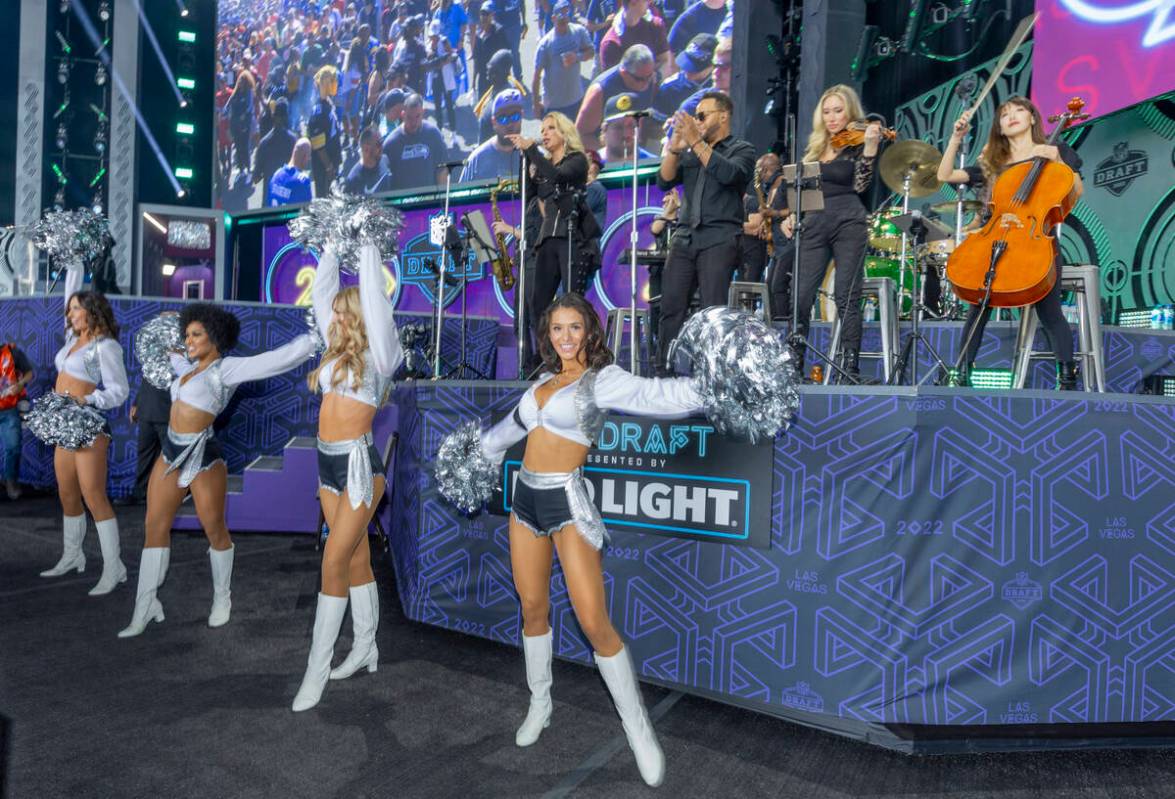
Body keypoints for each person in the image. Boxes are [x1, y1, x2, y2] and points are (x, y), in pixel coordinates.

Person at [459, 292, 710, 787]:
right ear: (546, 335)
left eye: (575, 328)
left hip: (567, 504)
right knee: (532, 608)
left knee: (594, 620)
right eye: (557, 329)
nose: (566, 338)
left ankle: (638, 728)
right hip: (524, 502)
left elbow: (658, 396)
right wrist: (474, 455)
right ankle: (540, 703)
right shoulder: (541, 384)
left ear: (589, 332)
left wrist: (713, 389)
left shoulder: (604, 380)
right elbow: (510, 430)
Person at [118, 304, 318, 638]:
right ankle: (146, 605)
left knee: (214, 529)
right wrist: (167, 324)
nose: (189, 340)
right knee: (154, 524)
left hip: (203, 456)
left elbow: (273, 360)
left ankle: (222, 598)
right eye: (187, 334)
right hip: (170, 452)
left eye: (196, 334)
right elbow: (165, 347)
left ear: (216, 337)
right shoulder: (185, 368)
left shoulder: (226, 369)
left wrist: (313, 341)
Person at [292, 242, 404, 712]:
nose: (334, 317)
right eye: (333, 313)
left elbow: (376, 307)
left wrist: (365, 246)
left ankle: (315, 674)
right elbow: (320, 292)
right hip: (326, 466)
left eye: (343, 312)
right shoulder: (335, 353)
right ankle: (365, 647)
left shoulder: (380, 356)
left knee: (333, 564)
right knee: (356, 562)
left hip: (360, 469)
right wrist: (332, 245)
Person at [937, 97, 1085, 389]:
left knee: (1049, 310)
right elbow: (944, 175)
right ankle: (962, 372)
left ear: (1032, 118)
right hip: (997, 240)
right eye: (1004, 114)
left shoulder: (1056, 150)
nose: (1011, 116)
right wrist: (955, 138)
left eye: (1019, 110)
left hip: (1034, 241)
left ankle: (1067, 377)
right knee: (979, 303)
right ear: (1000, 128)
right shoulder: (993, 162)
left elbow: (1077, 191)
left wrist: (1056, 159)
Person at [39, 261, 130, 595]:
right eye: (71, 308)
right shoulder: (71, 341)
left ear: (92, 313)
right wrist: (73, 260)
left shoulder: (103, 347)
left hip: (87, 425)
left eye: (77, 309)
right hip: (62, 424)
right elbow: (71, 287)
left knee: (94, 495)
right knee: (66, 493)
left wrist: (88, 401)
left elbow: (119, 391)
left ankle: (114, 567)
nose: (71, 313)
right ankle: (73, 555)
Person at [782, 84, 881, 381]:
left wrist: (872, 148)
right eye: (826, 112)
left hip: (849, 220)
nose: (832, 117)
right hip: (813, 222)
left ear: (850, 111)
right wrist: (792, 214)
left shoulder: (858, 142)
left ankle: (849, 366)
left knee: (846, 296)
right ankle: (793, 364)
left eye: (838, 111)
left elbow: (862, 186)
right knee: (800, 296)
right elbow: (803, 189)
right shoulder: (815, 147)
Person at [655, 90, 755, 372]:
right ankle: (665, 370)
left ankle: (712, 371)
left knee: (712, 310)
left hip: (719, 237)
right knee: (671, 308)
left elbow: (729, 175)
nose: (697, 121)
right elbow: (664, 180)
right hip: (685, 236)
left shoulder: (742, 149)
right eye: (695, 116)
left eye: (702, 115)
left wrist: (696, 141)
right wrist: (675, 147)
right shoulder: (691, 152)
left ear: (723, 115)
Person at [503, 113, 601, 365]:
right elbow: (528, 194)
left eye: (550, 129)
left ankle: (581, 356)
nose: (544, 133)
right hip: (547, 239)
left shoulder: (577, 160)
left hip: (572, 237)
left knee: (572, 301)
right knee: (538, 304)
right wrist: (526, 159)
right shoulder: (542, 165)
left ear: (564, 133)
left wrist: (532, 149)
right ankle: (549, 358)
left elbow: (558, 177)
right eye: (543, 129)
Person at [576, 44, 658, 150]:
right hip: (607, 154)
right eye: (640, 79)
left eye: (649, 77)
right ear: (624, 72)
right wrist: (612, 153)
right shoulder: (600, 90)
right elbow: (581, 136)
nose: (646, 84)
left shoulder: (647, 77)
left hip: (635, 149)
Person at [531, 1, 594, 121]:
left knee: (576, 137)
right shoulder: (545, 44)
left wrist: (577, 57)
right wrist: (535, 104)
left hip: (576, 99)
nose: (564, 18)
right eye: (561, 16)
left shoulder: (579, 32)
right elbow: (536, 75)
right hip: (554, 104)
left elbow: (591, 52)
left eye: (567, 13)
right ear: (553, 18)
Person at [381, 92, 451, 190]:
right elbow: (384, 180)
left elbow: (442, 169)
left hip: (428, 201)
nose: (413, 122)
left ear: (423, 112)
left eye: (417, 116)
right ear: (402, 115)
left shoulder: (434, 135)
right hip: (402, 202)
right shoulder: (391, 144)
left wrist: (442, 199)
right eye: (409, 117)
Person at [118, 380, 172, 507]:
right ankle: (141, 494)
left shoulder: (183, 360)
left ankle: (171, 495)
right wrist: (137, 402)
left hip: (169, 412)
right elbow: (147, 379)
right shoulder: (152, 360)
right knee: (144, 454)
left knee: (170, 458)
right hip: (146, 411)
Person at [460, 89, 525, 182]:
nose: (510, 123)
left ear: (522, 116)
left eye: (515, 116)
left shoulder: (534, 156)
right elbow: (461, 195)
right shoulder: (477, 160)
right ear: (494, 122)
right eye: (503, 118)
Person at [652, 32, 715, 121]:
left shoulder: (722, 85)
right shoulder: (669, 88)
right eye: (687, 65)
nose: (688, 72)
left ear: (712, 66)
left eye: (695, 69)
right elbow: (653, 126)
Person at [598, 0, 671, 75]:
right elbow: (612, 81)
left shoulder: (655, 26)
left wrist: (656, 77)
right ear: (633, 2)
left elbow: (665, 60)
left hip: (656, 85)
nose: (650, 2)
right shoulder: (611, 43)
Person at [0, 341, 34, 500]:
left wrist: (20, 384)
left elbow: (29, 373)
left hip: (8, 409)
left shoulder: (12, 352)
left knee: (13, 447)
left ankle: (10, 481)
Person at [474, 49, 529, 142]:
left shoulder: (507, 101)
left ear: (502, 73)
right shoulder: (496, 89)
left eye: (492, 70)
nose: (488, 72)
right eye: (488, 67)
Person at [307, 65, 343, 197]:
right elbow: (318, 145)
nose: (336, 83)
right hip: (324, 167)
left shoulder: (328, 101)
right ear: (327, 84)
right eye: (333, 81)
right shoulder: (319, 111)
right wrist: (328, 167)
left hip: (332, 161)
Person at [252, 97, 298, 198]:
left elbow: (256, 178)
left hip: (270, 199)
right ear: (286, 116)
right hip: (288, 198)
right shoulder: (293, 141)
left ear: (273, 117)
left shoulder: (264, 143)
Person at [600, 93, 655, 166]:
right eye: (618, 127)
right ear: (605, 130)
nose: (626, 134)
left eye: (632, 126)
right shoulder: (590, 167)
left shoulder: (653, 165)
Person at [425, 19, 460, 130]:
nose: (433, 38)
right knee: (437, 107)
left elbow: (454, 56)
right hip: (435, 79)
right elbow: (429, 62)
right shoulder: (428, 45)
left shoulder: (445, 42)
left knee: (449, 106)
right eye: (432, 35)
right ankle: (439, 130)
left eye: (435, 35)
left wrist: (447, 58)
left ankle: (453, 132)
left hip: (447, 78)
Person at [472, 2, 511, 98]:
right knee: (481, 107)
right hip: (482, 78)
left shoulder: (499, 32)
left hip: (497, 78)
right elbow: (476, 60)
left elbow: (506, 55)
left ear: (492, 15)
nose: (484, 17)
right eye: (482, 14)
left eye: (486, 14)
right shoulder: (478, 35)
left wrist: (508, 76)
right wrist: (473, 82)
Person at [344, 126, 394, 194]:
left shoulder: (385, 160)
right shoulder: (354, 180)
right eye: (378, 144)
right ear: (366, 148)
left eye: (382, 142)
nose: (382, 147)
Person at [268, 138, 314, 206]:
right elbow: (306, 211)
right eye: (309, 156)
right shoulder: (303, 181)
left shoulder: (276, 174)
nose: (309, 159)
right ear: (304, 157)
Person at [493, 0, 529, 81]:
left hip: (515, 24)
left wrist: (524, 21)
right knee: (502, 53)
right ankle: (504, 77)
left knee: (515, 52)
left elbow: (522, 4)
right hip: (501, 27)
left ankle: (518, 77)